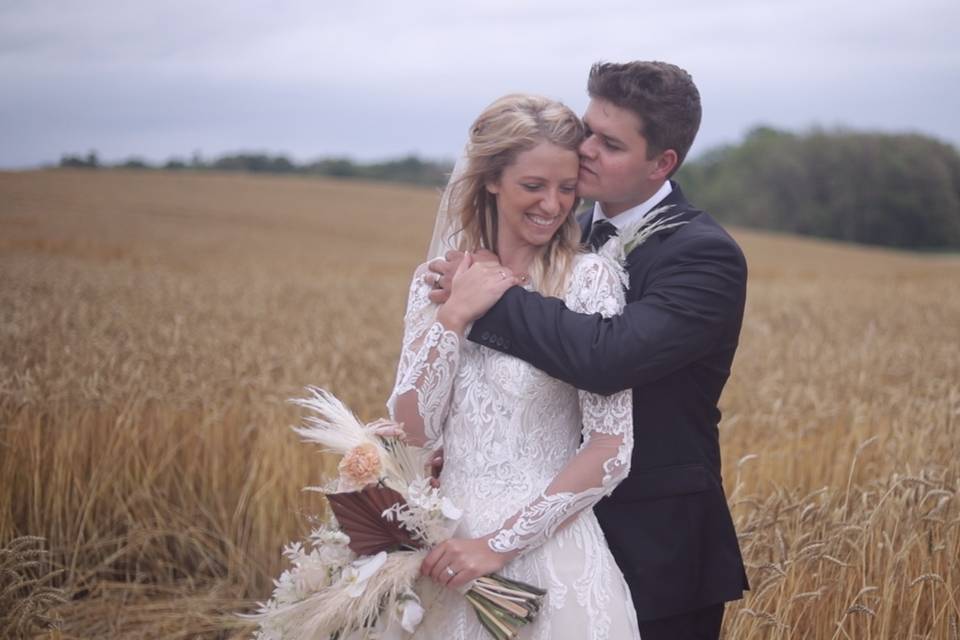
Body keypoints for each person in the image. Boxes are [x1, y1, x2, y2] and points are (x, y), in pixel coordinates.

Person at [427, 61, 750, 639]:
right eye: (588, 129)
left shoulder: (704, 256)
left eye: (611, 143)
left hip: (655, 547)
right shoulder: (553, 223)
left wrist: (484, 297)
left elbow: (610, 358)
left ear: (662, 164)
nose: (586, 149)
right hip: (535, 535)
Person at [386, 93, 641, 639]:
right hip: (440, 551)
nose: (553, 204)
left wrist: (495, 547)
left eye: (567, 188)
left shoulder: (588, 280)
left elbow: (610, 449)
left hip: (547, 555)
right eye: (534, 185)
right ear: (492, 180)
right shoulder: (434, 281)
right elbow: (412, 431)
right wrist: (453, 315)